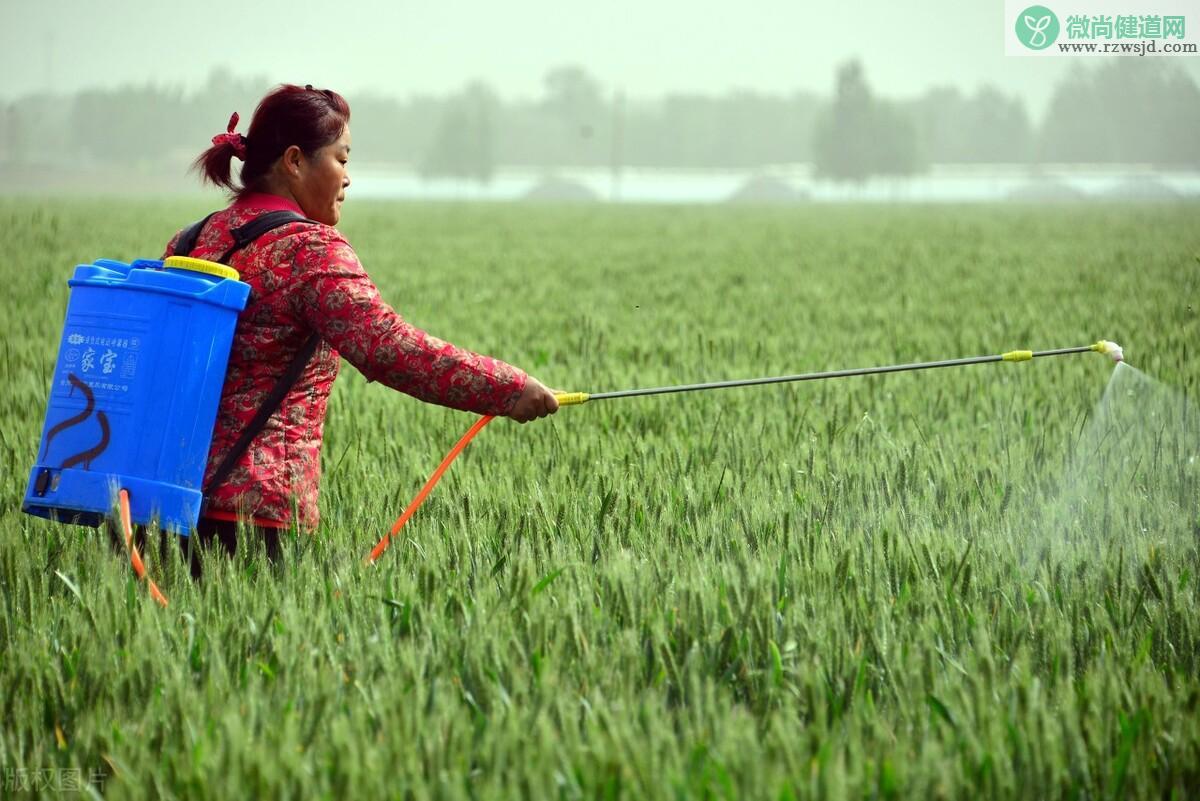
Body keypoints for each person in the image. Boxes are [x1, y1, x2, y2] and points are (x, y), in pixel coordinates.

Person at [161, 83, 559, 576]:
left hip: (155, 506)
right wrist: (508, 387)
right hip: (249, 521)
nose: (348, 178)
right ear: (294, 161)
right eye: (342, 159)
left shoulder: (195, 238)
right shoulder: (309, 250)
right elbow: (388, 348)